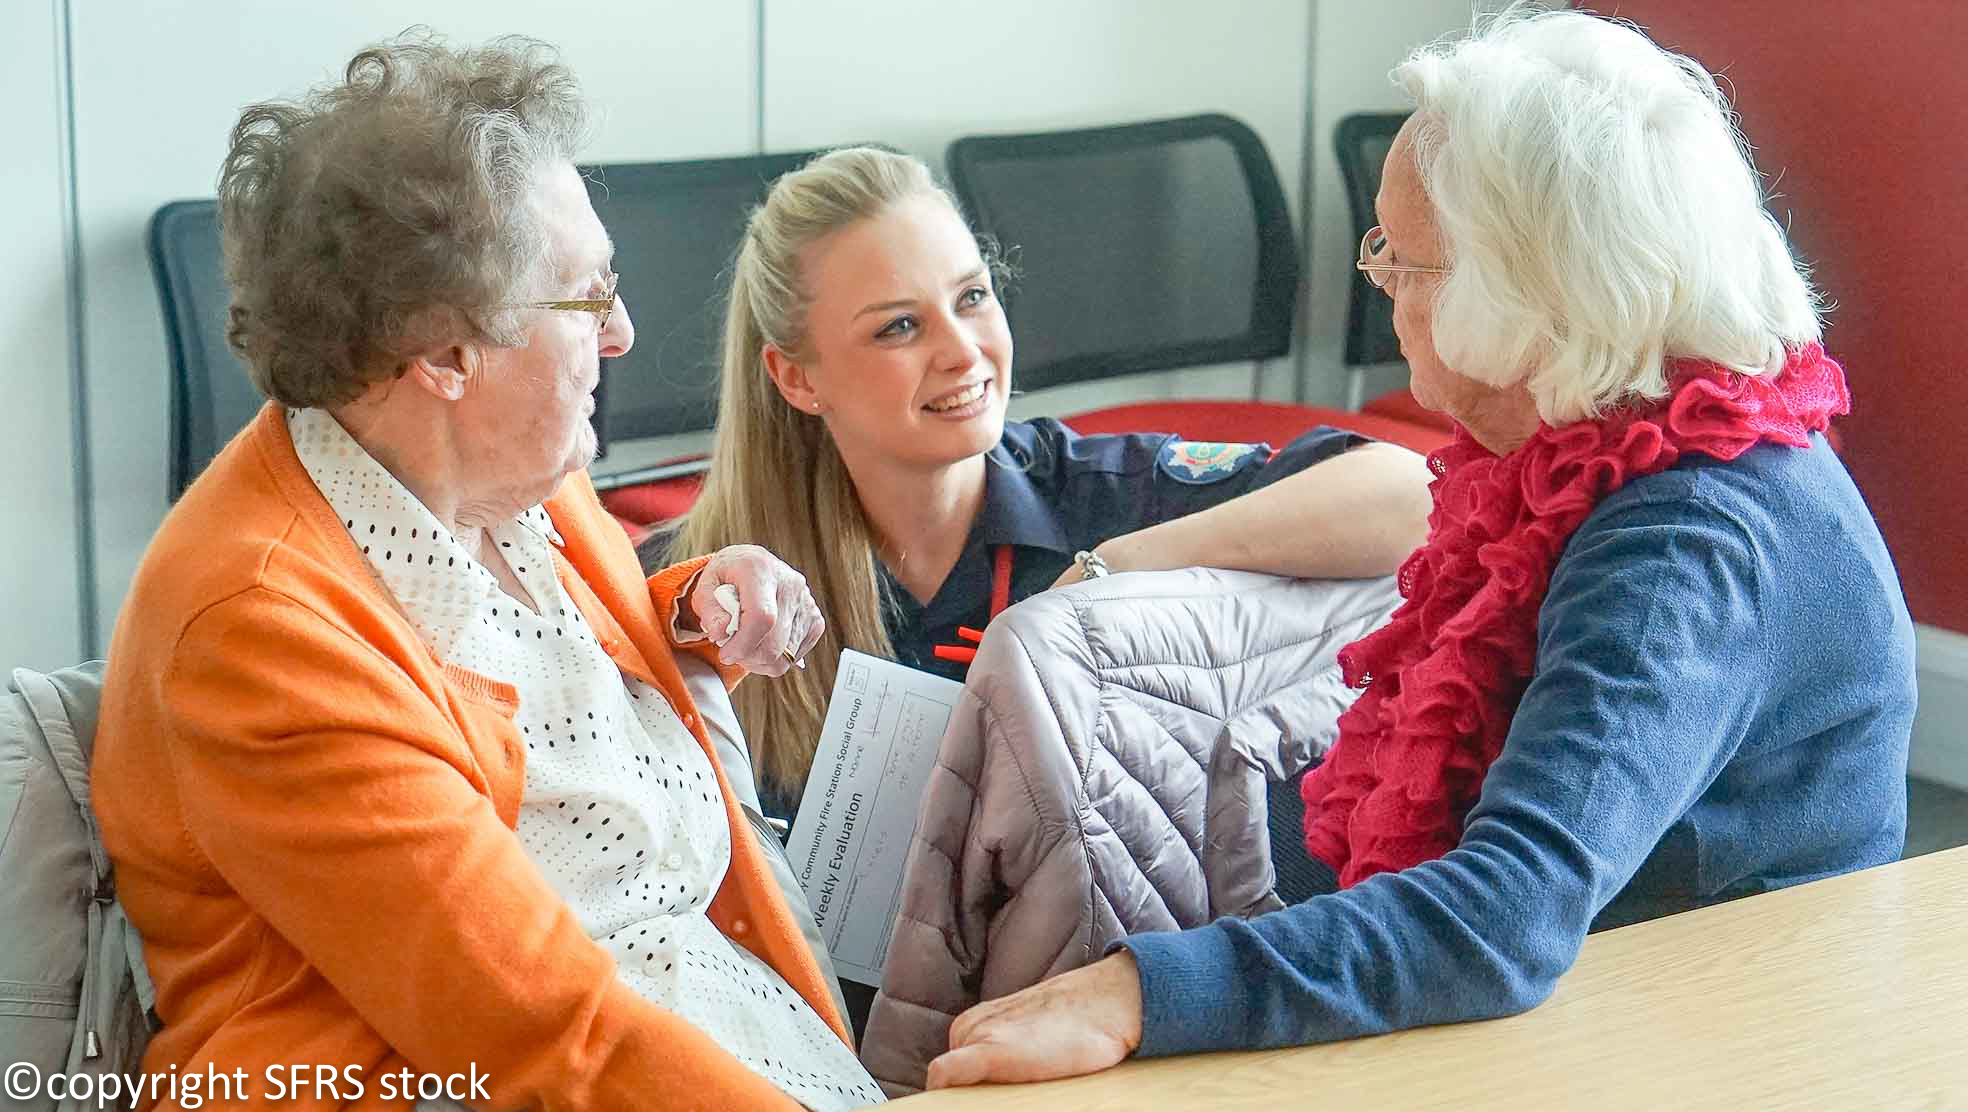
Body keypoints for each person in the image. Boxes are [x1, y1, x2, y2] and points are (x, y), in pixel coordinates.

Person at [920, 6, 1917, 1089]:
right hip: (1632, 976)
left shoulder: (1682, 545)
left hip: (1715, 1033)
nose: (1381, 282)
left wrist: (1140, 991)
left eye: (1403, 257)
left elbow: (1508, 914)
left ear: (1526, 292)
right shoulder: (1601, 451)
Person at [93, 34, 884, 1110]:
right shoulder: (261, 629)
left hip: (705, 1029)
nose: (622, 331)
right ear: (445, 356)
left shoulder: (511, 466)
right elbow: (547, 1033)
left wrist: (686, 615)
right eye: (587, 296)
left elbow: (520, 690)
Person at [655, 147, 1435, 817]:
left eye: (972, 297)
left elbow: (1416, 498)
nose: (964, 351)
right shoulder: (712, 583)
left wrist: (1118, 567)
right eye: (900, 326)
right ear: (797, 378)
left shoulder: (1095, 495)